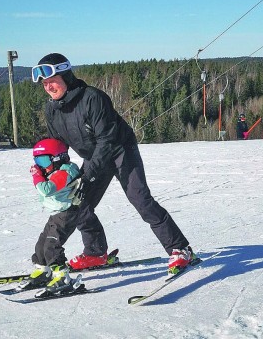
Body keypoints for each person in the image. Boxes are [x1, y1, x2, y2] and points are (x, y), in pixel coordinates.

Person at [31, 53, 194, 275]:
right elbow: (58, 148)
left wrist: (86, 176)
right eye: (45, 83)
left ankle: (180, 249)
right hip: (93, 155)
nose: (48, 87)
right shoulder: (52, 109)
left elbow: (106, 140)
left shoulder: (93, 98)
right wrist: (55, 173)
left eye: (52, 81)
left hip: (120, 150)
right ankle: (95, 253)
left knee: (141, 199)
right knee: (80, 204)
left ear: (66, 76)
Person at [20, 138, 85, 294]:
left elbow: (46, 189)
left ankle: (63, 278)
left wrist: (37, 175)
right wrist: (41, 170)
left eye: (43, 160)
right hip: (56, 213)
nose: (40, 165)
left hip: (66, 214)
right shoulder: (54, 170)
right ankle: (44, 271)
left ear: (57, 158)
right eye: (37, 161)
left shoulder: (65, 172)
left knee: (52, 247)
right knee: (42, 245)